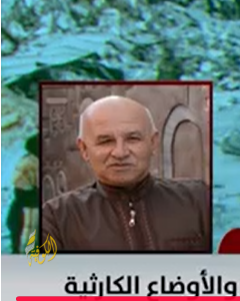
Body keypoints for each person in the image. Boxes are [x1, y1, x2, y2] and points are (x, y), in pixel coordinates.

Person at [40, 95, 211, 252]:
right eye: (106, 141)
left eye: (133, 139)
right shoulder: (57, 217)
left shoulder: (198, 200)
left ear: (153, 143)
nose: (120, 153)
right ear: (84, 149)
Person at [7, 135, 39, 253]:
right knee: (29, 235)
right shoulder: (32, 163)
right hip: (28, 202)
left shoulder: (27, 160)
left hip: (22, 200)